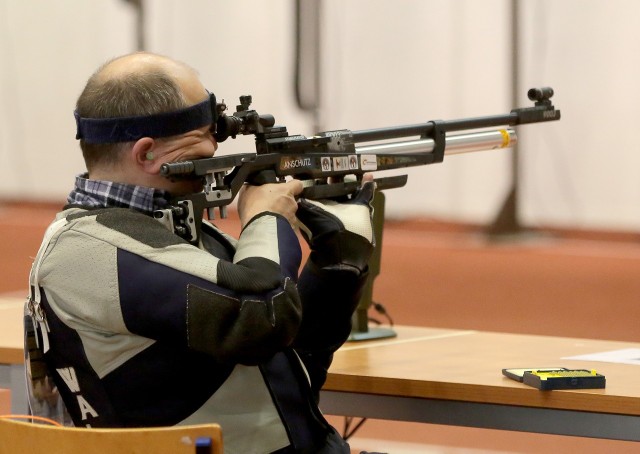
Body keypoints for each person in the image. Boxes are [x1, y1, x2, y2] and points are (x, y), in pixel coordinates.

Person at [25, 51, 376, 454]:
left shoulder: (177, 233)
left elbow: (289, 355)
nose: (214, 152)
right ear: (146, 154)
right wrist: (265, 217)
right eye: (200, 149)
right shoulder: (85, 254)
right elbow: (260, 315)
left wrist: (338, 266)